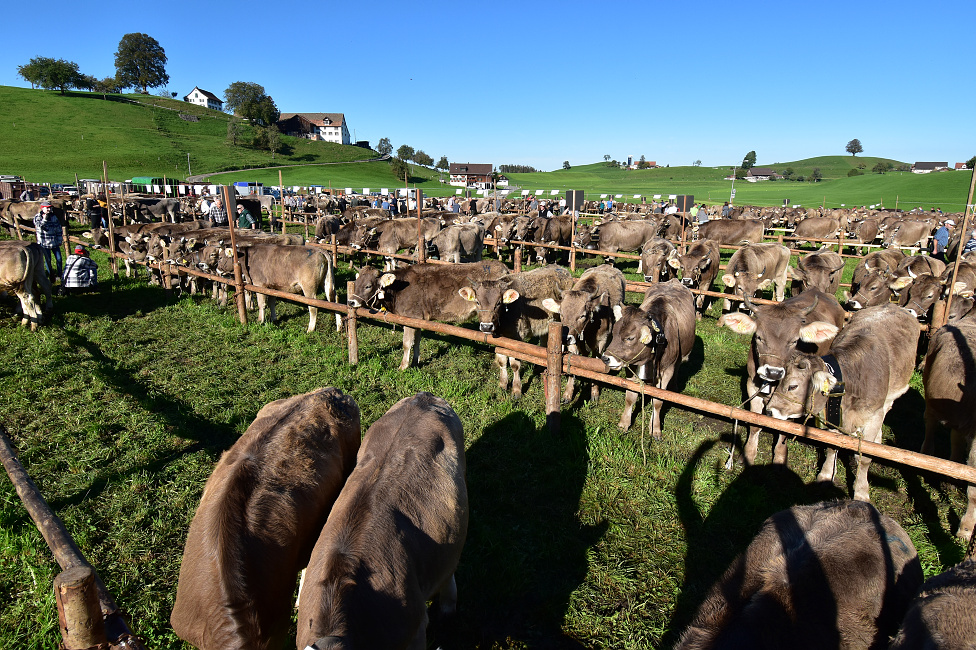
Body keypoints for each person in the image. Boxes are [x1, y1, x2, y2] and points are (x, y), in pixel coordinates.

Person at [33, 201, 63, 281]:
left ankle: (60, 274)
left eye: (50, 207)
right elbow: (39, 227)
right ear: (42, 208)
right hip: (44, 243)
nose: (49, 209)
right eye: (47, 208)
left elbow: (58, 228)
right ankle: (51, 275)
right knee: (48, 260)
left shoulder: (54, 217)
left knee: (59, 259)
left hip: (54, 242)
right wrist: (45, 219)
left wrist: (60, 239)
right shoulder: (37, 217)